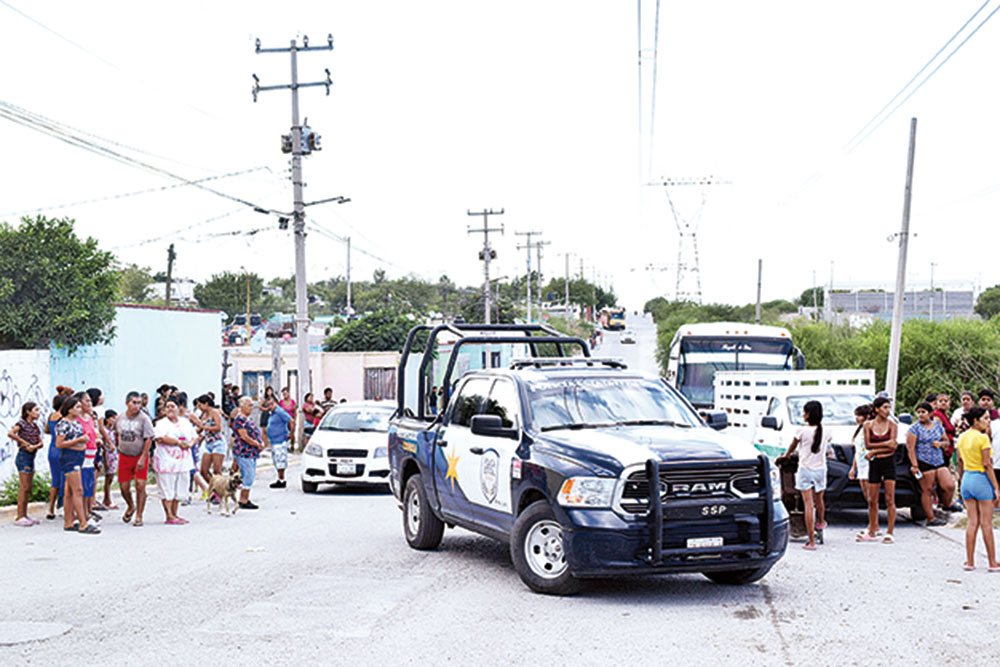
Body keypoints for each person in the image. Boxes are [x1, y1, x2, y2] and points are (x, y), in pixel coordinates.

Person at [780, 400, 832, 550]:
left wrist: (787, 455)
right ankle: (821, 523)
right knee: (819, 501)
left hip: (805, 470)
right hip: (821, 470)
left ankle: (811, 541)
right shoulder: (826, 431)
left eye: (804, 412)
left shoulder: (802, 431)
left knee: (808, 505)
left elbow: (792, 446)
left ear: (808, 414)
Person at [955, 406, 1000, 571]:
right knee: (986, 524)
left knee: (972, 522)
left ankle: (970, 561)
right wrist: (996, 487)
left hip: (967, 478)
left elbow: (959, 461)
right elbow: (987, 464)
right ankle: (992, 563)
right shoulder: (983, 439)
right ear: (976, 420)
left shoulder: (962, 437)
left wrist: (961, 481)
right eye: (986, 418)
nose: (988, 421)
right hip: (981, 479)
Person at [55, 396, 99, 534]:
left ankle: (69, 521)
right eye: (77, 407)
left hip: (79, 456)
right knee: (78, 490)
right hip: (70, 458)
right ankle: (82, 523)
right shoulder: (63, 423)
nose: (80, 409)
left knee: (69, 491)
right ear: (69, 409)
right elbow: (59, 444)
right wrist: (79, 440)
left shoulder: (76, 422)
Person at [906, 401, 954, 526]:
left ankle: (946, 505)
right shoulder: (914, 429)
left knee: (949, 485)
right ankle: (930, 518)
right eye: (919, 412)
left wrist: (941, 444)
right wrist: (915, 465)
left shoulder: (937, 426)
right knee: (927, 490)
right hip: (923, 461)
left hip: (938, 460)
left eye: (923, 412)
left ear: (930, 413)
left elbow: (947, 441)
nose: (921, 415)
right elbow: (910, 448)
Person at [858, 395, 898, 544]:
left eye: (888, 407)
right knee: (872, 500)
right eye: (884, 407)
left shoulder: (892, 425)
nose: (887, 411)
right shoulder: (868, 425)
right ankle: (873, 528)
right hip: (875, 464)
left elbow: (893, 446)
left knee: (889, 499)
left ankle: (889, 531)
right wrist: (884, 445)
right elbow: (868, 444)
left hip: (888, 463)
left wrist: (875, 451)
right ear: (877, 409)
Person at [153, 396, 197, 524]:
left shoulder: (185, 422)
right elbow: (160, 438)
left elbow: (194, 436)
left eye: (172, 406)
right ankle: (169, 515)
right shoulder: (161, 423)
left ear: (179, 408)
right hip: (167, 460)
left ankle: (175, 514)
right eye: (167, 407)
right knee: (167, 488)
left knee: (180, 487)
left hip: (183, 461)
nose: (170, 409)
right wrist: (178, 443)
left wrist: (189, 444)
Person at [115, 391, 156, 527]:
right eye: (134, 403)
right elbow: (116, 434)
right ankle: (130, 506)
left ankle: (139, 514)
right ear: (127, 403)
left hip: (139, 455)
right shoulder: (120, 417)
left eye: (139, 403)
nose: (136, 406)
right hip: (124, 455)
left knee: (140, 485)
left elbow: (148, 438)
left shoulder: (144, 419)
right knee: (124, 487)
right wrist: (118, 448)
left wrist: (143, 457)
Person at [9, 402, 43, 526]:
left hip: (31, 455)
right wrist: (25, 444)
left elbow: (41, 442)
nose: (38, 413)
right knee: (24, 487)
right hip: (24, 455)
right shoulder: (21, 424)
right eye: (36, 410)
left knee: (28, 487)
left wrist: (35, 446)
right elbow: (11, 433)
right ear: (28, 411)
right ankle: (19, 516)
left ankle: (25, 514)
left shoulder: (35, 426)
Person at [232, 396, 265, 509]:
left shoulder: (247, 418)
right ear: (242, 406)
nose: (251, 408)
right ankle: (243, 499)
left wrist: (259, 443)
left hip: (251, 452)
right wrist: (257, 444)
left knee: (250, 474)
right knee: (248, 476)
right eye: (249, 405)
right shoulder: (240, 419)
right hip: (244, 451)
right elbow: (244, 436)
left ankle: (245, 498)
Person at [75, 390, 100, 524]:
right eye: (87, 401)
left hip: (92, 455)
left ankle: (87, 512)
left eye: (90, 400)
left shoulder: (90, 419)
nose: (90, 403)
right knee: (82, 486)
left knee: (89, 486)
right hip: (82, 456)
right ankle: (82, 515)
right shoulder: (77, 420)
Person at [848, 403, 874, 523]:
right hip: (862, 465)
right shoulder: (860, 430)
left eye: (860, 416)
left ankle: (874, 524)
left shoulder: (871, 429)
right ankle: (872, 522)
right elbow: (857, 451)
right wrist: (853, 468)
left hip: (870, 464)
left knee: (872, 498)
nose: (857, 418)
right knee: (868, 498)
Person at [195, 394, 227, 486]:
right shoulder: (204, 414)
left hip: (218, 443)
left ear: (206, 403)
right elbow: (200, 428)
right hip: (208, 443)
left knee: (217, 471)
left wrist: (204, 427)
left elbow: (218, 427)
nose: (199, 407)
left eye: (200, 405)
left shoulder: (215, 412)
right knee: (204, 471)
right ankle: (214, 488)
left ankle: (220, 491)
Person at [44, 394, 66, 520]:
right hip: (62, 449)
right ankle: (62, 506)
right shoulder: (63, 418)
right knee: (65, 480)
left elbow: (47, 430)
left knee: (55, 481)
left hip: (52, 449)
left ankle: (51, 509)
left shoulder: (51, 416)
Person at [264, 396, 293, 489]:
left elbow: (291, 421)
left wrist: (291, 434)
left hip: (280, 440)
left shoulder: (280, 412)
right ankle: (280, 478)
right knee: (276, 460)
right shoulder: (272, 413)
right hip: (274, 440)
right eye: (268, 405)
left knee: (280, 460)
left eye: (272, 404)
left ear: (276, 403)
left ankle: (282, 479)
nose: (270, 406)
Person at [98, 409, 120, 511]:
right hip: (107, 455)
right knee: (108, 478)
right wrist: (105, 459)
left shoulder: (113, 431)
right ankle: (107, 499)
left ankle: (107, 498)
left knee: (110, 477)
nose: (114, 420)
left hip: (113, 455)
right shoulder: (104, 432)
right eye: (112, 418)